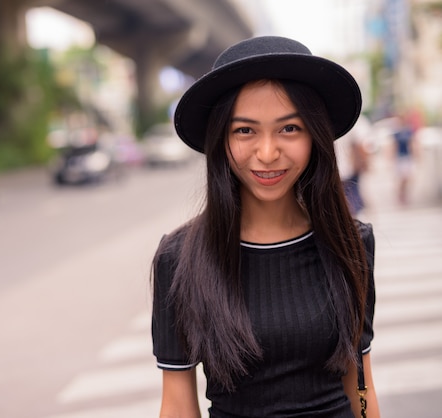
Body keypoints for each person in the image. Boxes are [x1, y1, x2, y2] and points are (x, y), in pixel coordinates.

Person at [151, 36, 379, 417]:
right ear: (221, 139)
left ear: (315, 135)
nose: (268, 152)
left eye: (289, 128)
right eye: (245, 130)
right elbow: (177, 405)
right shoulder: (180, 258)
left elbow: (360, 386)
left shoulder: (351, 244)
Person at [335, 116, 371, 215]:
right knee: (350, 198)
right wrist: (365, 162)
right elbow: (361, 144)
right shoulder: (356, 121)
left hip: (338, 167)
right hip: (347, 168)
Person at [392, 113, 416, 205]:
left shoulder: (408, 131)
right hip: (400, 157)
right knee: (402, 177)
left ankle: (403, 193)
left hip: (407, 156)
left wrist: (415, 153)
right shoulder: (396, 133)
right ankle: (401, 194)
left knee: (408, 177)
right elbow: (394, 146)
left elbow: (412, 143)